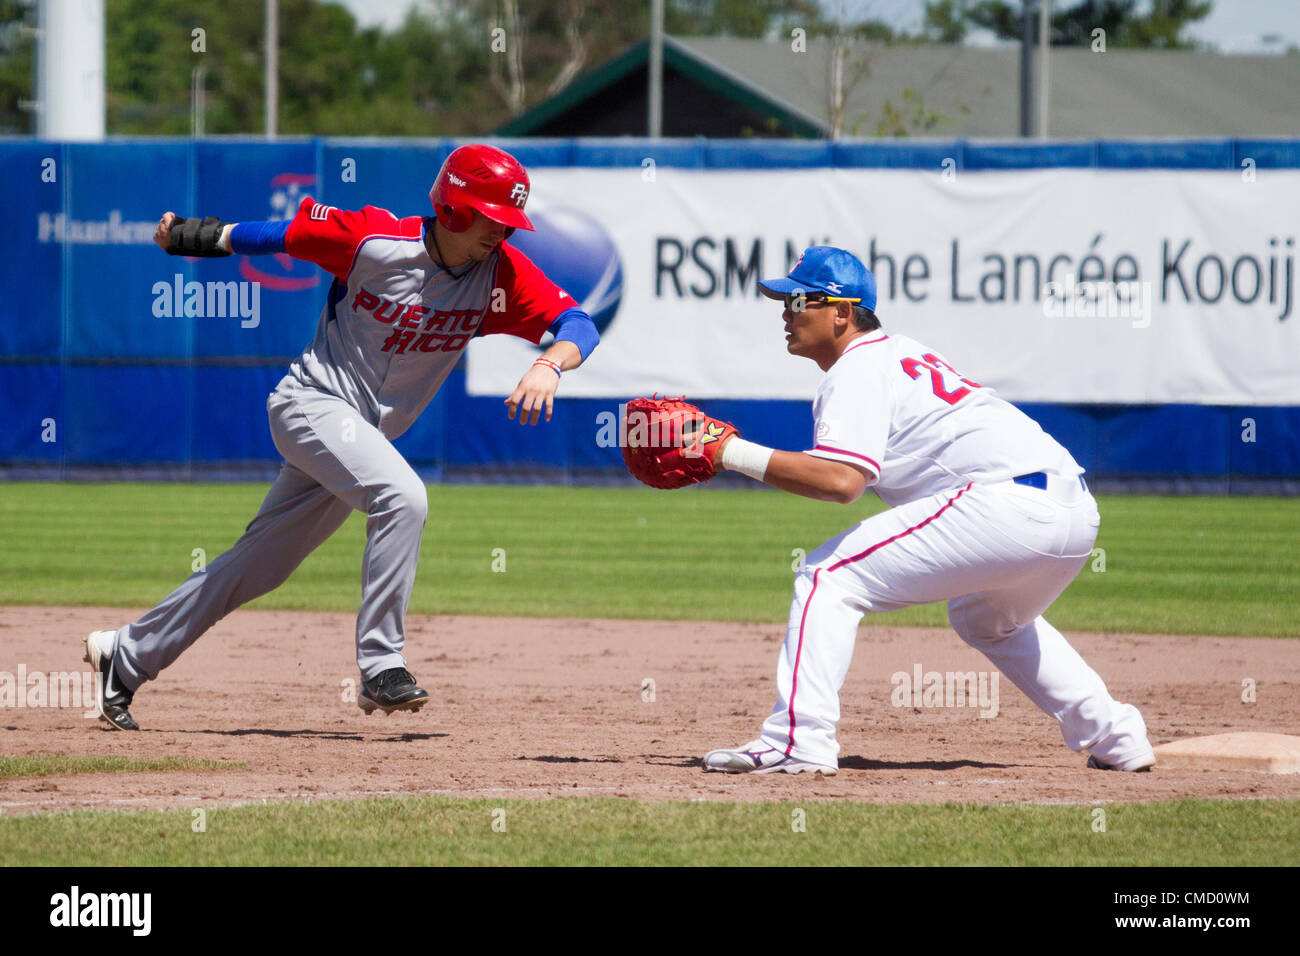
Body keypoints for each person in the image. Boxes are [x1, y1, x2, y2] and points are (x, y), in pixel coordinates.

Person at [84, 144, 599, 731]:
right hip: (312, 406)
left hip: (360, 440)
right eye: (492, 218)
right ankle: (382, 664)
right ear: (455, 208)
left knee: (258, 567)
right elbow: (285, 235)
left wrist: (548, 365)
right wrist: (199, 236)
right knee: (404, 496)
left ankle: (124, 657)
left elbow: (578, 324)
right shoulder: (374, 241)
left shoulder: (498, 277)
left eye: (510, 223)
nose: (502, 233)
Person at [701, 246, 1154, 774]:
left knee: (826, 577)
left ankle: (798, 740)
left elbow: (842, 481)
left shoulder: (858, 368)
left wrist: (727, 452)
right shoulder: (898, 353)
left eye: (799, 299)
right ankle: (1115, 735)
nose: (786, 311)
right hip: (1072, 510)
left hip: (1004, 503)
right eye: (784, 299)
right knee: (987, 619)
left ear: (842, 313)